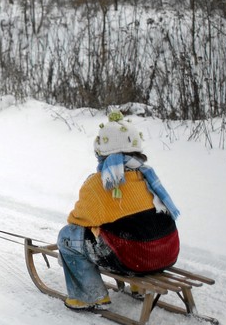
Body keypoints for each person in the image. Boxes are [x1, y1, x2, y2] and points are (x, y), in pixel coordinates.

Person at [55, 111, 181, 310]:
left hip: (134, 259)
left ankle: (90, 296)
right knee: (137, 226)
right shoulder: (146, 176)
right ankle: (138, 288)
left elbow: (77, 220)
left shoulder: (100, 182)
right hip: (167, 253)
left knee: (67, 236)